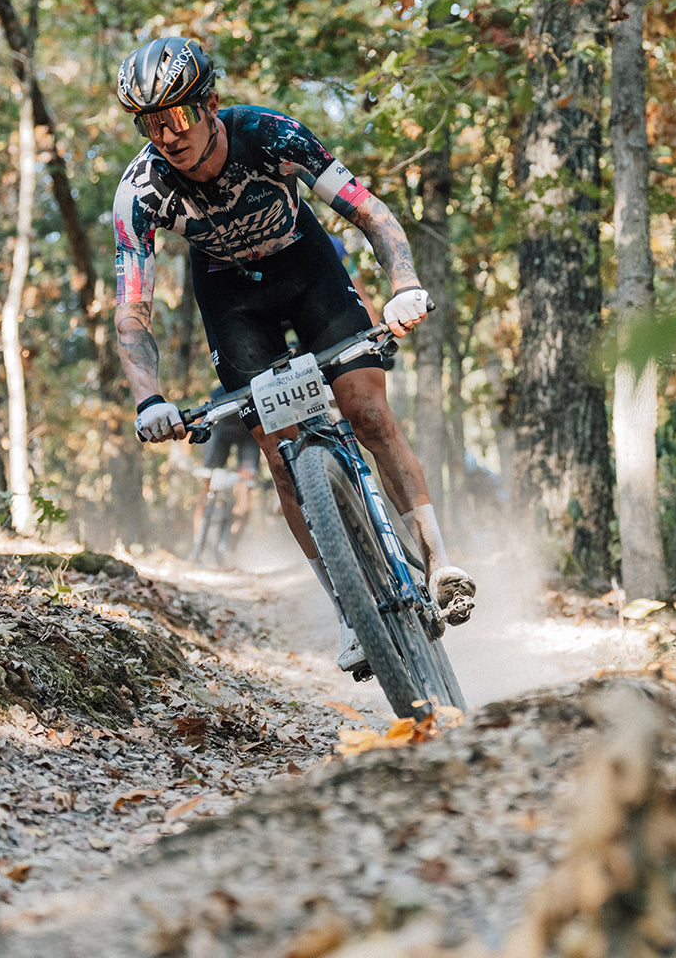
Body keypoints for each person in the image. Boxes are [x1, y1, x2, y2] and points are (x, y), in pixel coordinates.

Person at [112, 37, 475, 673]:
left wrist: (405, 285)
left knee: (366, 412)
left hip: (306, 268)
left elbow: (368, 211)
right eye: (150, 123)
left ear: (210, 106)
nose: (166, 135)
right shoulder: (141, 192)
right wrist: (149, 399)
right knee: (280, 454)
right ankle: (348, 614)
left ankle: (439, 563)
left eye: (177, 115)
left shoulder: (270, 134)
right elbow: (132, 308)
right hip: (230, 296)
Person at [192, 385, 260, 563]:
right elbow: (199, 419)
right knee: (206, 486)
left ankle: (230, 547)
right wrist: (185, 455)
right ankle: (198, 545)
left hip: (249, 437)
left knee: (245, 489)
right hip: (220, 435)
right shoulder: (219, 392)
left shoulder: (257, 385)